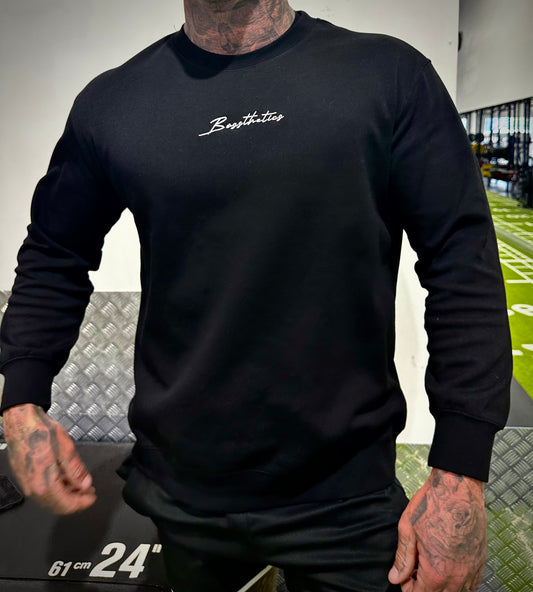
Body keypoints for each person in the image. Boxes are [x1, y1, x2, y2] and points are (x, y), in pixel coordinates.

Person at [0, 1, 512, 591]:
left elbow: (461, 262)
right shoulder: (114, 102)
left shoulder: (388, 75)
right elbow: (54, 253)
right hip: (185, 492)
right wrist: (21, 401)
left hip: (347, 495)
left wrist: (460, 472)